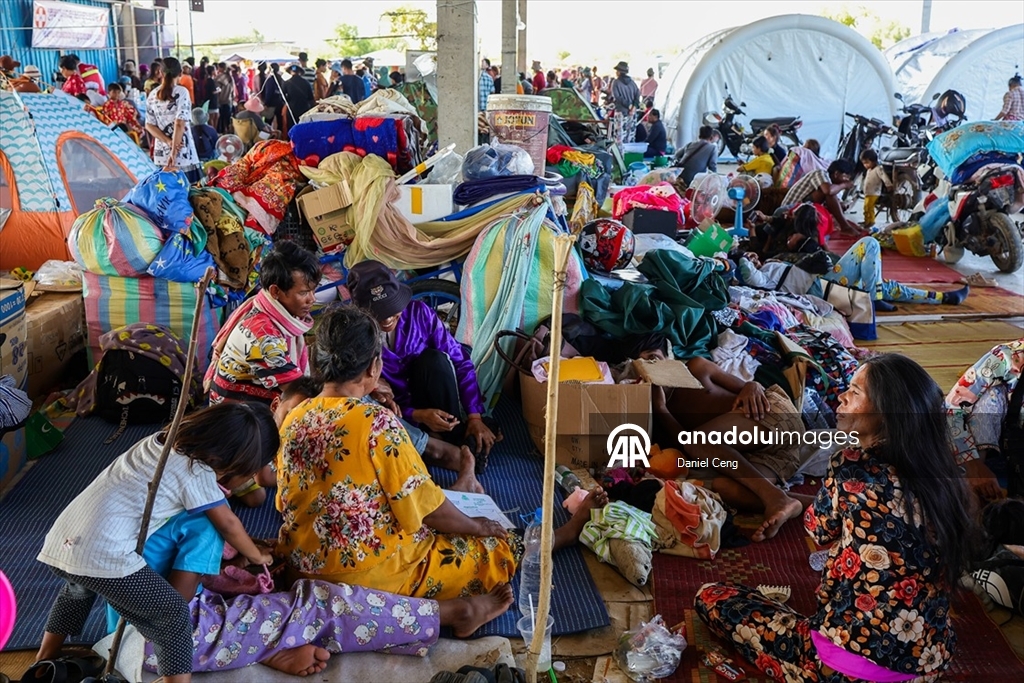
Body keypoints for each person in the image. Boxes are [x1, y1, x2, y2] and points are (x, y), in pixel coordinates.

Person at [275, 305, 609, 599]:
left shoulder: (294, 418)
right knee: (492, 546)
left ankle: (461, 498)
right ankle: (561, 536)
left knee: (418, 512)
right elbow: (426, 510)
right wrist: (479, 527)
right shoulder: (376, 422)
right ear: (373, 369)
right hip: (365, 576)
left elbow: (287, 503)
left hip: (302, 569)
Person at [695, 354, 976, 682]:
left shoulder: (851, 464)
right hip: (927, 666)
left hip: (840, 671)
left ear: (885, 414)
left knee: (712, 596)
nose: (842, 396)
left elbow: (820, 528)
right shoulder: (947, 475)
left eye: (855, 393)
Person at [33, 402, 279, 683]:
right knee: (172, 613)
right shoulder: (196, 473)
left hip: (65, 538)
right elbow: (228, 524)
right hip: (106, 554)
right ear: (236, 460)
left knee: (76, 590)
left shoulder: (158, 442)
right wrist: (257, 556)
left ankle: (44, 659)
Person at [346, 261, 498, 459]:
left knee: (434, 360)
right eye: (377, 313)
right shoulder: (353, 336)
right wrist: (416, 415)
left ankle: (449, 431)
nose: (386, 319)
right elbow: (358, 394)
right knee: (370, 394)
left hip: (437, 401)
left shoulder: (420, 313)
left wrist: (474, 416)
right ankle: (434, 442)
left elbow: (460, 362)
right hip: (400, 414)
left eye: (392, 309)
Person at [649, 354, 809, 542]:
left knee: (697, 440)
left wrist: (752, 386)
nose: (654, 365)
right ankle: (807, 503)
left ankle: (774, 497)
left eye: (656, 357)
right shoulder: (657, 417)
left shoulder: (696, 368)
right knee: (723, 487)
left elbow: (749, 386)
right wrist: (661, 408)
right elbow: (687, 451)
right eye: (647, 362)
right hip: (776, 455)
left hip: (771, 415)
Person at [207, 241, 319, 405]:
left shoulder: (267, 308)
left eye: (313, 290)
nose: (312, 299)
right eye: (304, 292)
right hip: (237, 421)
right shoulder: (260, 333)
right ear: (275, 291)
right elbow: (297, 391)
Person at [946, 339, 1024, 501]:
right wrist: (974, 465)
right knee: (990, 395)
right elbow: (953, 408)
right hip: (1007, 446)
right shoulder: (1008, 356)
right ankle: (978, 488)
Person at [145, 57, 202, 183]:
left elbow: (149, 125)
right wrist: (174, 152)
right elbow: (179, 123)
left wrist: (168, 142)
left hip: (161, 156)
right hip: (183, 155)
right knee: (187, 196)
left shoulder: (152, 94)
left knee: (166, 196)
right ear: (180, 73)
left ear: (160, 72)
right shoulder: (182, 92)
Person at [781, 160, 864, 239]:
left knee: (831, 199)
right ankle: (845, 227)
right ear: (836, 174)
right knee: (829, 194)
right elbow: (828, 191)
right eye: (846, 177)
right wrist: (845, 185)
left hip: (800, 210)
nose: (847, 180)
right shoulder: (820, 173)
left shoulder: (828, 182)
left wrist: (840, 205)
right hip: (788, 210)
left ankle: (846, 226)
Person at [860, 149, 892, 229]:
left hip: (874, 193)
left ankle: (871, 221)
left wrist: (889, 185)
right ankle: (867, 220)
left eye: (867, 163)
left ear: (873, 161)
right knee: (866, 208)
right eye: (864, 163)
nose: (865, 165)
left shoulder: (878, 169)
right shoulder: (869, 170)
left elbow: (884, 177)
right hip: (868, 193)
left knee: (869, 207)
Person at [214, 63, 235, 133]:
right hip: (229, 101)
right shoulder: (230, 77)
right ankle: (229, 132)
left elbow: (216, 89)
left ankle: (222, 133)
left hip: (220, 101)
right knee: (228, 119)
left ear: (221, 68)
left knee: (221, 120)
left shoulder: (218, 78)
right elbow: (233, 90)